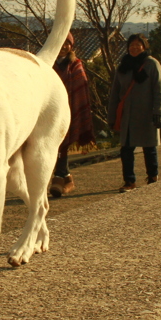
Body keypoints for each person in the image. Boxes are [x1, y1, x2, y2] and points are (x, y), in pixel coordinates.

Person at [107, 33, 161, 192]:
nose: (134, 48)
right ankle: (129, 181)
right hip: (127, 115)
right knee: (126, 149)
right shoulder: (123, 66)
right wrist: (111, 116)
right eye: (131, 45)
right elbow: (115, 93)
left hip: (147, 113)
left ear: (144, 46)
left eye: (138, 45)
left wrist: (158, 112)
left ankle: (153, 177)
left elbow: (159, 90)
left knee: (149, 147)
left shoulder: (152, 64)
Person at [49, 32, 95, 197]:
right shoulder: (48, 64)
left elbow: (80, 88)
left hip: (71, 109)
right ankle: (67, 178)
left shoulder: (76, 65)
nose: (63, 46)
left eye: (67, 43)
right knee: (54, 145)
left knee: (64, 146)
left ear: (71, 46)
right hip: (51, 110)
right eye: (61, 42)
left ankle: (58, 178)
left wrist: (75, 109)